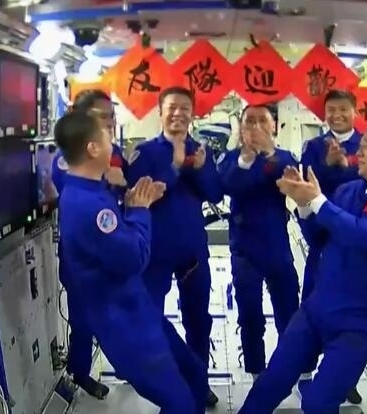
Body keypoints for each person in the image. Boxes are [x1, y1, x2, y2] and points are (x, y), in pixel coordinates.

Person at [237, 119, 367, 414]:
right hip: (317, 308)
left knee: (319, 403)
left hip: (358, 320)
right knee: (270, 384)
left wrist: (318, 201)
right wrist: (303, 204)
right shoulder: (348, 191)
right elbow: (318, 238)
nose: (358, 152)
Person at [55, 111, 208, 413]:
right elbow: (134, 257)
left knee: (194, 375)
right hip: (124, 324)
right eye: (107, 137)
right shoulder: (89, 206)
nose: (113, 145)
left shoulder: (91, 191)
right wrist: (139, 211)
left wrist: (129, 200)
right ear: (93, 148)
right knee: (181, 404)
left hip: (138, 309)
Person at [126, 86, 224, 406]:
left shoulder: (201, 151)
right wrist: (176, 167)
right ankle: (170, 382)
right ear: (161, 112)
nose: (178, 113)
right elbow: (140, 192)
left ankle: (199, 383)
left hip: (192, 251)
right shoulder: (145, 153)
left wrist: (199, 169)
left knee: (199, 319)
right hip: (154, 251)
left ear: (192, 114)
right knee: (150, 318)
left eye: (185, 107)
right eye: (172, 107)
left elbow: (215, 193)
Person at [50, 89, 128, 399]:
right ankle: (79, 371)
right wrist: (109, 177)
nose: (108, 122)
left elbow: (127, 184)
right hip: (81, 256)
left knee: (118, 312)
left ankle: (124, 363)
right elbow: (71, 185)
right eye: (101, 116)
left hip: (112, 247)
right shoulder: (66, 156)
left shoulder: (114, 151)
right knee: (83, 320)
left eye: (111, 117)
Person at [216, 104, 300, 378]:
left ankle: (294, 367)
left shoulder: (285, 158)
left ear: (273, 125)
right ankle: (256, 372)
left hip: (276, 247)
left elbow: (286, 179)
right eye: (249, 121)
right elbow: (227, 185)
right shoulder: (230, 159)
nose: (255, 126)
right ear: (240, 127)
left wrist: (267, 154)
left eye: (262, 121)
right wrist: (246, 160)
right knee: (250, 313)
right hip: (244, 249)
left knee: (289, 310)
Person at [297, 89, 365, 402]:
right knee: (313, 304)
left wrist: (345, 165)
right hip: (323, 237)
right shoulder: (313, 147)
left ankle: (344, 377)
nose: (337, 115)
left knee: (351, 311)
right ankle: (305, 371)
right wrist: (328, 164)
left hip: (357, 237)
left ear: (355, 111)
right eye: (331, 110)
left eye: (343, 109)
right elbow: (306, 185)